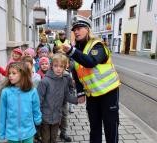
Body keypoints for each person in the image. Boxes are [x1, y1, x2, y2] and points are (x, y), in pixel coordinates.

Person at [62, 15, 121, 143]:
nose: (76, 31)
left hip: (108, 93)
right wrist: (81, 92)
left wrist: (72, 51)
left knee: (111, 127)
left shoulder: (97, 45)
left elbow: (90, 62)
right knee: (94, 128)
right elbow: (76, 71)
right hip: (92, 95)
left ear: (88, 29)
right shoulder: (77, 49)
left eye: (79, 28)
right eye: (74, 29)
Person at [37, 53, 82, 143]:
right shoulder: (45, 81)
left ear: (65, 67)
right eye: (56, 66)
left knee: (54, 138)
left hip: (57, 116)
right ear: (51, 66)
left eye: (61, 66)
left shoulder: (64, 80)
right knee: (45, 139)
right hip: (45, 116)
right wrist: (37, 115)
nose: (58, 68)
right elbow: (39, 99)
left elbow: (67, 95)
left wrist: (77, 100)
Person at [0, 62, 42, 143]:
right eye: (9, 73)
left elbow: (36, 107)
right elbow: (2, 114)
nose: (10, 75)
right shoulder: (6, 92)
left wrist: (37, 119)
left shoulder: (32, 91)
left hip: (28, 131)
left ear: (23, 74)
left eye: (14, 73)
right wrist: (1, 133)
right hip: (12, 133)